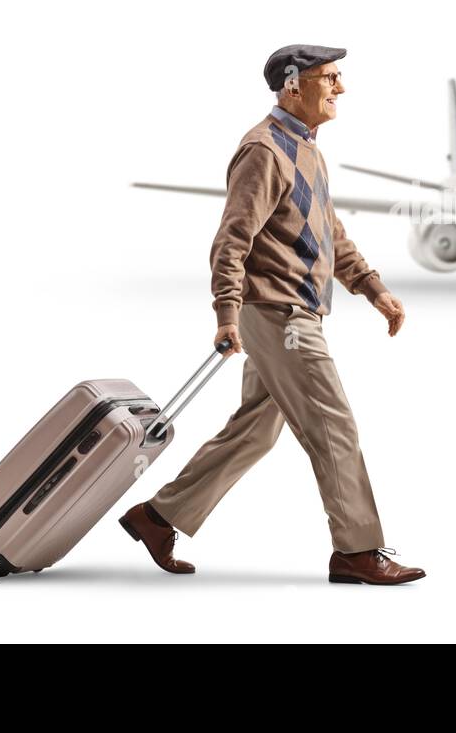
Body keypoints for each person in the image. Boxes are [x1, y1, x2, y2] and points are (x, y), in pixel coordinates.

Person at [119, 44, 425, 585]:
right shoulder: (263, 150)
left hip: (291, 310)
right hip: (280, 316)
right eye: (329, 78)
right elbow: (231, 240)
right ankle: (356, 551)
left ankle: (158, 516)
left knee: (255, 430)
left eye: (339, 77)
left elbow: (329, 231)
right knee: (334, 426)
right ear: (292, 85)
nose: (340, 88)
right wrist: (226, 313)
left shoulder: (306, 148)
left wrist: (371, 288)